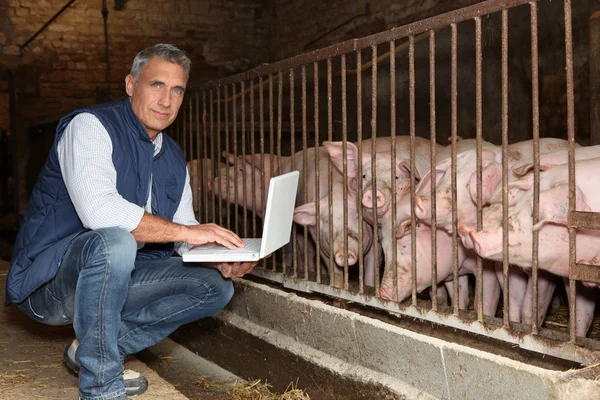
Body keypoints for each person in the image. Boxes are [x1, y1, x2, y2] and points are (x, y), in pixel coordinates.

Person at [6, 44, 258, 400]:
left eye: (177, 90)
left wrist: (217, 255)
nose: (166, 101)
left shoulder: (172, 155)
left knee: (215, 287)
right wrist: (188, 232)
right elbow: (100, 213)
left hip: (119, 277)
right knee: (116, 241)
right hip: (50, 284)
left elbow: (184, 228)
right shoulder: (90, 127)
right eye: (156, 85)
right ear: (130, 84)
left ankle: (93, 350)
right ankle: (101, 387)